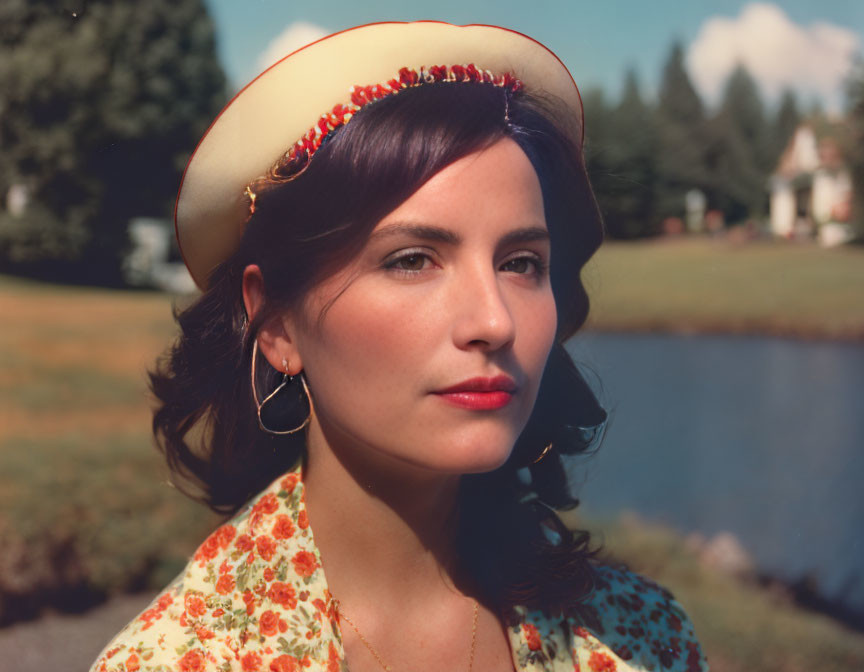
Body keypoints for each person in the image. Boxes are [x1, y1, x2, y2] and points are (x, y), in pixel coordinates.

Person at [90, 21, 707, 672]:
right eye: (413, 260)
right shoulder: (176, 660)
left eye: (522, 263)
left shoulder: (646, 638)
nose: (494, 322)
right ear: (276, 325)